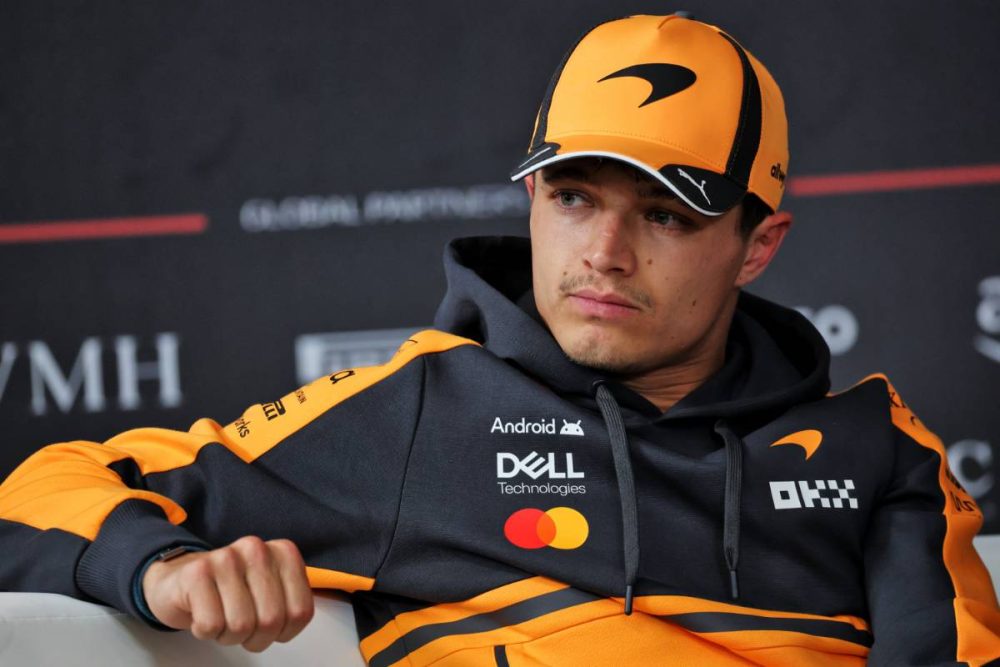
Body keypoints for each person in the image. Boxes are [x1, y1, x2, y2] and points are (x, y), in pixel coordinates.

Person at [1, 12, 998, 666]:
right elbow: (39, 492)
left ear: (758, 245)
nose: (603, 254)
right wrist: (166, 568)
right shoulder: (415, 416)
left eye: (664, 215)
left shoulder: (878, 452)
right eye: (573, 198)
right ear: (531, 200)